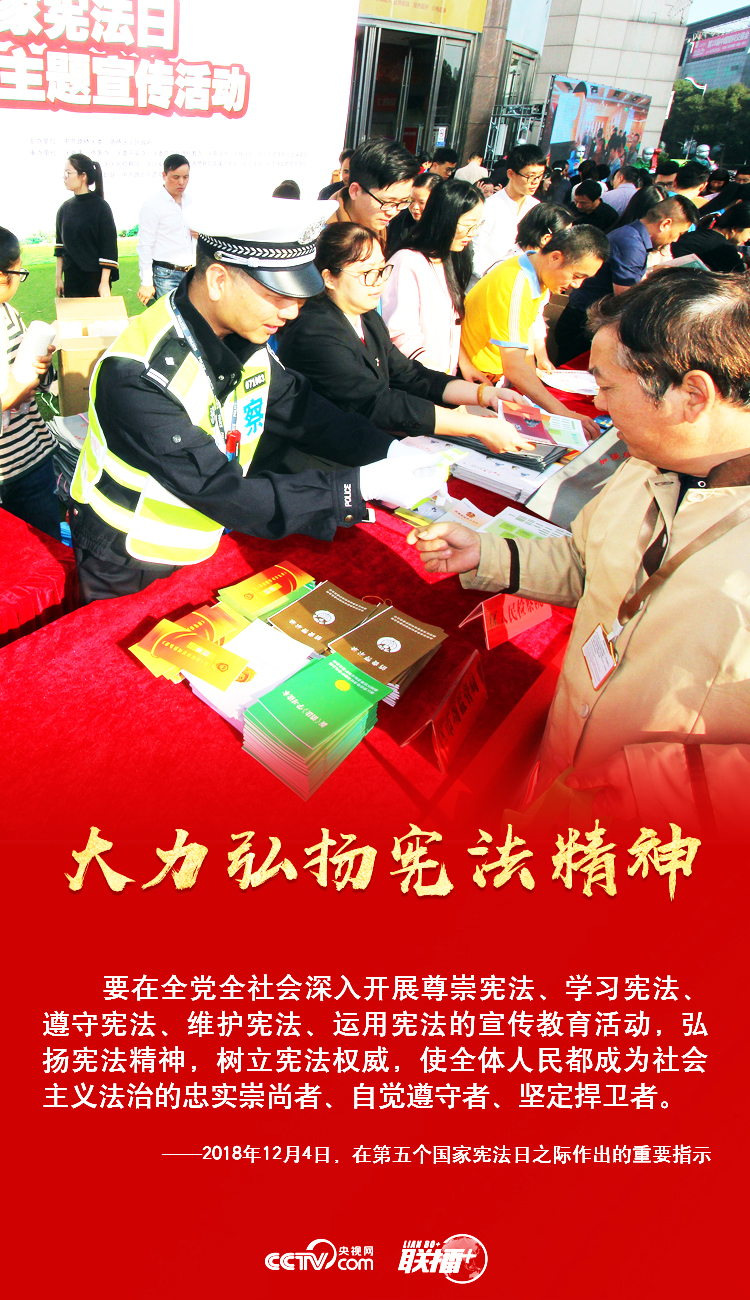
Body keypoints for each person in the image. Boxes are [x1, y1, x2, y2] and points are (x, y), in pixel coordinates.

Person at [408, 266, 750, 826]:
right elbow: (588, 561)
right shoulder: (647, 464)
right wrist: (489, 553)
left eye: (608, 388)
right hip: (566, 762)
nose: (601, 408)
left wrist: (650, 788)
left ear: (692, 395)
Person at [68, 200, 447, 603]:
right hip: (130, 556)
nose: (292, 311)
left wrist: (389, 452)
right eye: (277, 294)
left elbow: (302, 409)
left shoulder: (241, 332)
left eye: (299, 296)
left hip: (207, 535)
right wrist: (360, 486)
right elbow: (220, 488)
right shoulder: (137, 376)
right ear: (218, 281)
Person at [276, 224, 538, 456]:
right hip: (323, 457)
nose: (378, 281)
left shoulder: (366, 316)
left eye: (381, 269)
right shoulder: (314, 331)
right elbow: (377, 402)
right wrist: (478, 426)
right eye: (367, 273)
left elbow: (409, 374)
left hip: (367, 443)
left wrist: (486, 394)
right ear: (329, 278)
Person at [461, 225, 608, 437]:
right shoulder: (516, 285)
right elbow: (514, 367)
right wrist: (563, 412)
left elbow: (525, 336)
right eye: (577, 275)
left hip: (490, 377)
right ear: (555, 257)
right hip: (474, 380)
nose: (577, 285)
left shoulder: (533, 272)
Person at [554, 196, 697, 366]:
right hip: (583, 324)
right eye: (679, 233)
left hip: (583, 318)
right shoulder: (631, 245)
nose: (676, 239)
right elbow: (626, 297)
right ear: (665, 224)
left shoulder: (631, 236)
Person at [380, 179, 484, 377]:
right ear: (444, 219)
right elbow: (400, 335)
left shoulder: (447, 259)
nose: (474, 232)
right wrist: (442, 380)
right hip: (420, 380)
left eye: (478, 224)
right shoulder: (408, 262)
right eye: (468, 225)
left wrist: (463, 364)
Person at [0, 227, 59, 540]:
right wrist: (15, 393)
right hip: (12, 467)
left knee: (44, 542)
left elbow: (38, 380)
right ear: (2, 275)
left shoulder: (9, 313)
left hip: (30, 454)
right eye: (18, 273)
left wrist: (42, 368)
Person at [470, 144, 546, 283]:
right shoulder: (489, 207)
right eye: (530, 176)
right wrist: (494, 277)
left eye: (540, 176)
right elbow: (473, 251)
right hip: (485, 282)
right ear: (511, 174)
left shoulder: (536, 208)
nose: (535, 182)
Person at [512, 203, 574, 373]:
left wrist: (542, 357)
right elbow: (518, 327)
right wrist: (530, 366)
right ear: (546, 239)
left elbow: (535, 317)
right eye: (566, 238)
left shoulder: (540, 268)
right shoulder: (514, 270)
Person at [327, 139, 420, 242]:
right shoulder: (321, 239)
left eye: (403, 202)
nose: (393, 212)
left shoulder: (390, 229)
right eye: (387, 202)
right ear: (355, 191)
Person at [55, 154, 118, 298]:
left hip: (94, 279)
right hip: (71, 279)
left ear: (83, 176)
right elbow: (60, 248)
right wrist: (58, 278)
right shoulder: (64, 208)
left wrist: (104, 282)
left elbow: (108, 249)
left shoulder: (101, 207)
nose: (65, 177)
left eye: (68, 173)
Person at [137, 153, 194, 306]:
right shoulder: (153, 205)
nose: (181, 182)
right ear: (164, 175)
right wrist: (146, 282)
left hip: (190, 273)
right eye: (176, 177)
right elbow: (145, 246)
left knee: (191, 317)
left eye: (186, 177)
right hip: (166, 275)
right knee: (170, 317)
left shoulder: (189, 201)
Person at [672, 201, 750, 273]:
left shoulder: (699, 234)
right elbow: (741, 280)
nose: (749, 238)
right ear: (735, 229)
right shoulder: (723, 249)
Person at [384, 173, 442, 259]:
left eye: (421, 202)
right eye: (411, 200)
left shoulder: (442, 230)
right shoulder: (398, 221)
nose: (415, 207)